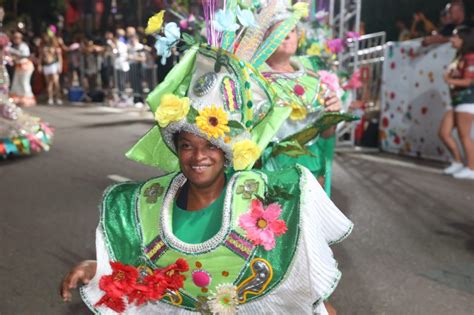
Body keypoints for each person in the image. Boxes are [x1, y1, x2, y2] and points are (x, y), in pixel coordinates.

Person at [60, 5, 352, 314]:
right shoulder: (152, 203)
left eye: (211, 146)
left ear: (227, 151)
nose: (198, 156)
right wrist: (96, 268)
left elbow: (303, 293)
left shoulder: (264, 203)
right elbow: (142, 274)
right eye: (187, 145)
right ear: (176, 149)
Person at [254, 2, 357, 195]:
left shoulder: (312, 72)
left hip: (312, 167)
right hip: (272, 170)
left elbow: (325, 135)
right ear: (264, 36)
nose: (286, 35)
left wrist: (332, 114)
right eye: (279, 29)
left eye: (291, 30)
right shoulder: (253, 76)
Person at [442, 26, 474, 179]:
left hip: (467, 99)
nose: (451, 39)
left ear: (464, 39)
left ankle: (472, 168)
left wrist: (449, 79)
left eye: (455, 37)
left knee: (464, 135)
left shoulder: (471, 57)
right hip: (456, 100)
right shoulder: (459, 57)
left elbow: (469, 81)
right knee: (444, 132)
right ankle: (458, 162)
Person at [9, 31, 36, 106]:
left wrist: (12, 51)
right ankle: (19, 99)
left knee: (24, 83)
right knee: (17, 83)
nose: (15, 39)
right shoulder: (14, 46)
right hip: (18, 67)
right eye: (14, 38)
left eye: (17, 38)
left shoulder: (23, 46)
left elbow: (24, 55)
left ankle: (28, 99)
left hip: (25, 67)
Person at [38, 33, 63, 105]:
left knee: (56, 82)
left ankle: (58, 97)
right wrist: (39, 65)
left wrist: (60, 66)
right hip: (46, 65)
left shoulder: (55, 47)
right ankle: (50, 98)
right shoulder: (43, 47)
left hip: (54, 65)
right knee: (49, 83)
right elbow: (41, 57)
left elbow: (59, 57)